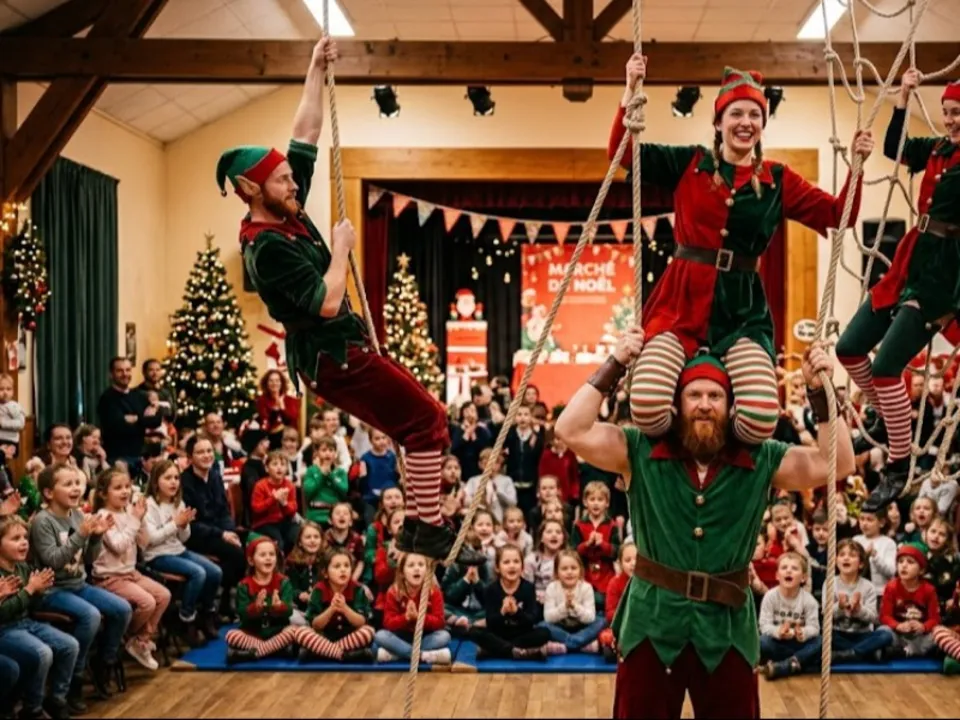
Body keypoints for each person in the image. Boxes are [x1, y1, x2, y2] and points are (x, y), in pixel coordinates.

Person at [219, 37, 481, 567]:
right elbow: (326, 302)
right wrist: (340, 248)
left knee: (418, 424)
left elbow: (305, 133)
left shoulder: (286, 213)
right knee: (429, 419)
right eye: (283, 179)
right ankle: (427, 526)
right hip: (332, 358)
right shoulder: (265, 248)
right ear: (252, 189)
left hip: (341, 352)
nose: (295, 183)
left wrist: (314, 70)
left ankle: (418, 526)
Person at [554, 326, 855, 719]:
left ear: (731, 406)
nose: (704, 404)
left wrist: (818, 392)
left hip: (727, 630)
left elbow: (839, 464)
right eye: (694, 394)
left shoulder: (762, 457)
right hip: (651, 623)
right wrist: (615, 364)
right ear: (677, 403)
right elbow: (569, 429)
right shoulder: (639, 449)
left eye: (715, 395)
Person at [609, 54, 873, 447]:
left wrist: (858, 165)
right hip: (679, 305)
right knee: (645, 406)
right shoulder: (691, 163)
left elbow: (842, 213)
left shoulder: (778, 180)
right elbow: (622, 155)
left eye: (754, 114)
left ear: (763, 123)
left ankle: (724, 466)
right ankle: (676, 466)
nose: (745, 122)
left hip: (743, 314)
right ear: (718, 122)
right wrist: (630, 90)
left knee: (760, 417)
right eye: (736, 113)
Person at [837, 72, 960, 511]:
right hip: (912, 257)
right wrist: (904, 98)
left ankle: (898, 462)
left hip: (944, 273)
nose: (951, 120)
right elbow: (895, 149)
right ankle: (886, 415)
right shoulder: (939, 151)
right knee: (849, 349)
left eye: (958, 113)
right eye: (947, 112)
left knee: (888, 368)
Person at [97, 357, 162, 467]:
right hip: (118, 457)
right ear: (111, 374)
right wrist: (143, 420)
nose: (125, 374)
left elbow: (156, 420)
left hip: (141, 456)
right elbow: (119, 426)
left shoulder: (139, 395)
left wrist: (136, 419)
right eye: (120, 371)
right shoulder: (107, 398)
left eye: (128, 370)